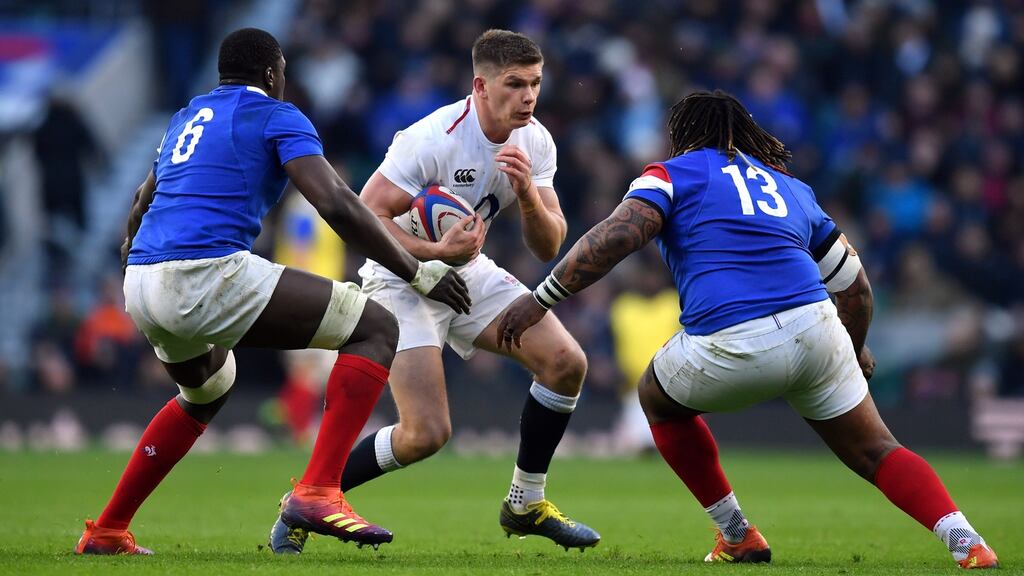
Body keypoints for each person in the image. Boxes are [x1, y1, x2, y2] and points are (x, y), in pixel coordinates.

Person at [496, 91, 999, 569]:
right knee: (878, 450)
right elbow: (857, 287)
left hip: (733, 338)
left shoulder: (672, 173)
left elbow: (616, 236)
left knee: (655, 397)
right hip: (816, 327)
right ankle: (968, 543)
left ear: (684, 135)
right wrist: (854, 346)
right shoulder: (791, 187)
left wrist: (541, 299)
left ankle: (736, 534)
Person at [74, 28, 471, 556]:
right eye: (281, 72)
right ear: (271, 73)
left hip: (143, 279)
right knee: (376, 327)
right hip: (204, 271)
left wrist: (132, 257)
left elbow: (142, 198)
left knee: (208, 389)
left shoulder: (186, 118)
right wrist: (417, 270)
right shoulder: (276, 115)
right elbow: (336, 202)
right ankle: (318, 492)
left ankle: (107, 530)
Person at [269, 29, 599, 554]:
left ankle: (525, 502)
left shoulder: (535, 140)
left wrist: (527, 198)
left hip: (466, 272)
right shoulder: (433, 138)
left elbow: (548, 244)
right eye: (515, 84)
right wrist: (433, 253)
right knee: (425, 434)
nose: (529, 96)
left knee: (566, 363)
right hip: (400, 278)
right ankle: (307, 497)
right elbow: (367, 217)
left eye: (536, 83)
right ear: (481, 86)